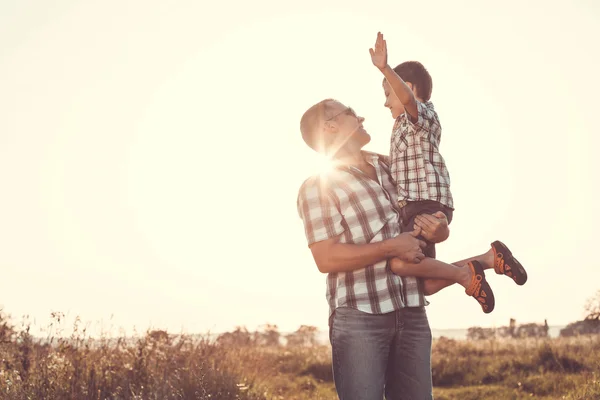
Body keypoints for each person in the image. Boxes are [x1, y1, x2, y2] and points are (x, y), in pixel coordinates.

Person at [297, 99, 520, 399]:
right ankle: (482, 262)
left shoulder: (392, 167)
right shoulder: (317, 186)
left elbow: (421, 226)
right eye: (350, 112)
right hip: (361, 317)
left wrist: (440, 230)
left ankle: (485, 260)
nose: (360, 115)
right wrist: (391, 248)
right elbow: (326, 257)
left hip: (412, 313)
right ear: (331, 127)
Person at [368, 31, 527, 295]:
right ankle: (490, 259)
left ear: (407, 86)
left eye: (388, 94)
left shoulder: (419, 115)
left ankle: (468, 277)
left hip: (424, 206)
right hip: (416, 208)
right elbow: (397, 162)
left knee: (399, 263)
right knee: (427, 283)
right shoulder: (401, 127)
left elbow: (407, 99)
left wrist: (384, 68)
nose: (385, 103)